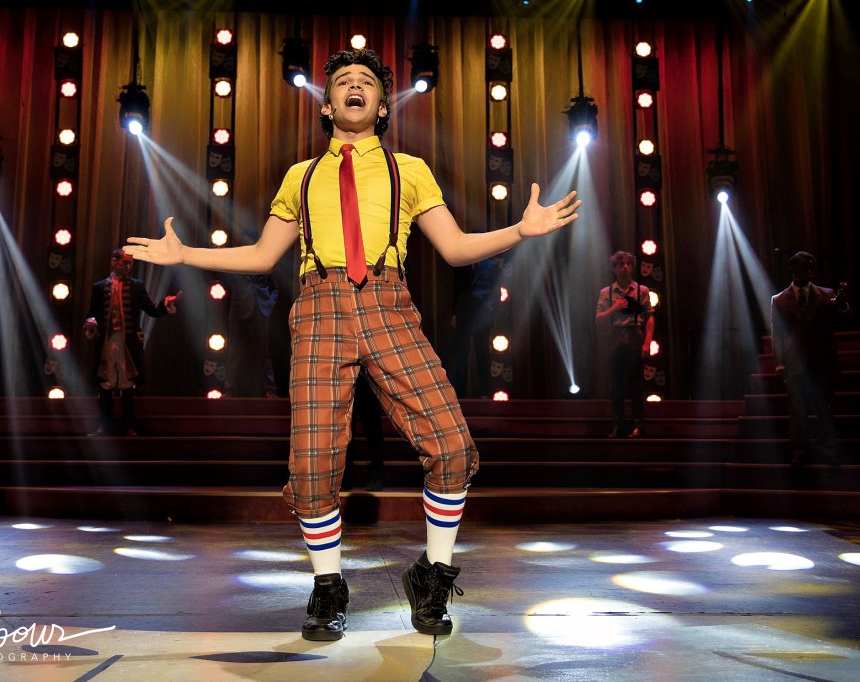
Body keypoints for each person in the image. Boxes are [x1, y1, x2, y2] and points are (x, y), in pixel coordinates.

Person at [125, 47, 580, 641]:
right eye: (343, 81)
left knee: (451, 445)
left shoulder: (409, 170)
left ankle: (433, 575)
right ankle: (327, 587)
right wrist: (186, 255)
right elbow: (263, 255)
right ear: (328, 103)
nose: (356, 87)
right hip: (320, 310)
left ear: (384, 104)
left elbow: (456, 247)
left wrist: (520, 231)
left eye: (367, 81)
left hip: (389, 304)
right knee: (312, 465)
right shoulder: (302, 176)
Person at [84, 247, 182, 436]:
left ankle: (129, 427)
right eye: (125, 262)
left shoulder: (137, 286)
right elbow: (93, 314)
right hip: (107, 342)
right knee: (106, 384)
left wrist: (165, 304)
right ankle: (103, 426)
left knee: (128, 384)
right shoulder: (99, 287)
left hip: (127, 343)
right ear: (114, 262)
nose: (128, 266)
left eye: (130, 263)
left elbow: (151, 309)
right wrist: (91, 324)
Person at [771, 251, 851, 466]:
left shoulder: (826, 294)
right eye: (803, 268)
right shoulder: (779, 300)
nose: (807, 271)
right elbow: (777, 334)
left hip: (822, 362)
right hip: (796, 363)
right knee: (798, 412)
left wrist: (842, 304)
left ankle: (829, 451)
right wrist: (779, 363)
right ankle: (799, 452)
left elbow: (839, 319)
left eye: (810, 268)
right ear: (792, 270)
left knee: (824, 408)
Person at [595, 251, 654, 438]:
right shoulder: (606, 292)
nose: (625, 267)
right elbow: (599, 319)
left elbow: (650, 317)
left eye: (628, 263)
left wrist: (647, 342)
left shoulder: (641, 291)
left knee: (636, 384)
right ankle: (618, 424)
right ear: (614, 268)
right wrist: (615, 307)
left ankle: (639, 425)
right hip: (613, 339)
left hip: (633, 336)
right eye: (621, 264)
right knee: (616, 386)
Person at [224, 228, 279, 398]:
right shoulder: (236, 261)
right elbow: (226, 279)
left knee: (263, 351)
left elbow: (275, 287)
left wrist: (269, 302)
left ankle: (270, 390)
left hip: (260, 309)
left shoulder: (264, 261)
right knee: (234, 350)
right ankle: (229, 388)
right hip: (239, 309)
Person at [448, 253, 503, 398]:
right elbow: (457, 289)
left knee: (482, 352)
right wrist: (455, 313)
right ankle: (460, 393)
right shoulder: (463, 263)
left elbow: (496, 290)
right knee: (461, 355)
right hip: (465, 313)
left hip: (482, 313)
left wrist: (491, 309)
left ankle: (484, 392)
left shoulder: (491, 265)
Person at [341, 370, 386, 492]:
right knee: (346, 435)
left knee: (374, 434)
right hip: (347, 383)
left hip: (368, 382)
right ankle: (346, 479)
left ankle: (376, 477)